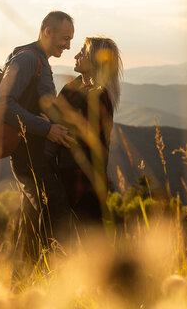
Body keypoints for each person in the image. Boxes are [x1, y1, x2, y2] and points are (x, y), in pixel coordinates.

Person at [0, 10, 75, 263]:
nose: (68, 46)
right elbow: (1, 105)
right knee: (56, 211)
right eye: (65, 38)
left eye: (71, 40)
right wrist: (47, 129)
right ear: (47, 31)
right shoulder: (27, 59)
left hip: (36, 156)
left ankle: (20, 288)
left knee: (29, 225)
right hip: (29, 156)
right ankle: (53, 279)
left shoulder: (38, 59)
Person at [43, 37, 122, 239]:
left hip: (85, 184)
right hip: (61, 177)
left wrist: (50, 127)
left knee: (89, 248)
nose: (76, 56)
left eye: (83, 53)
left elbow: (86, 137)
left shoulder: (100, 96)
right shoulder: (72, 88)